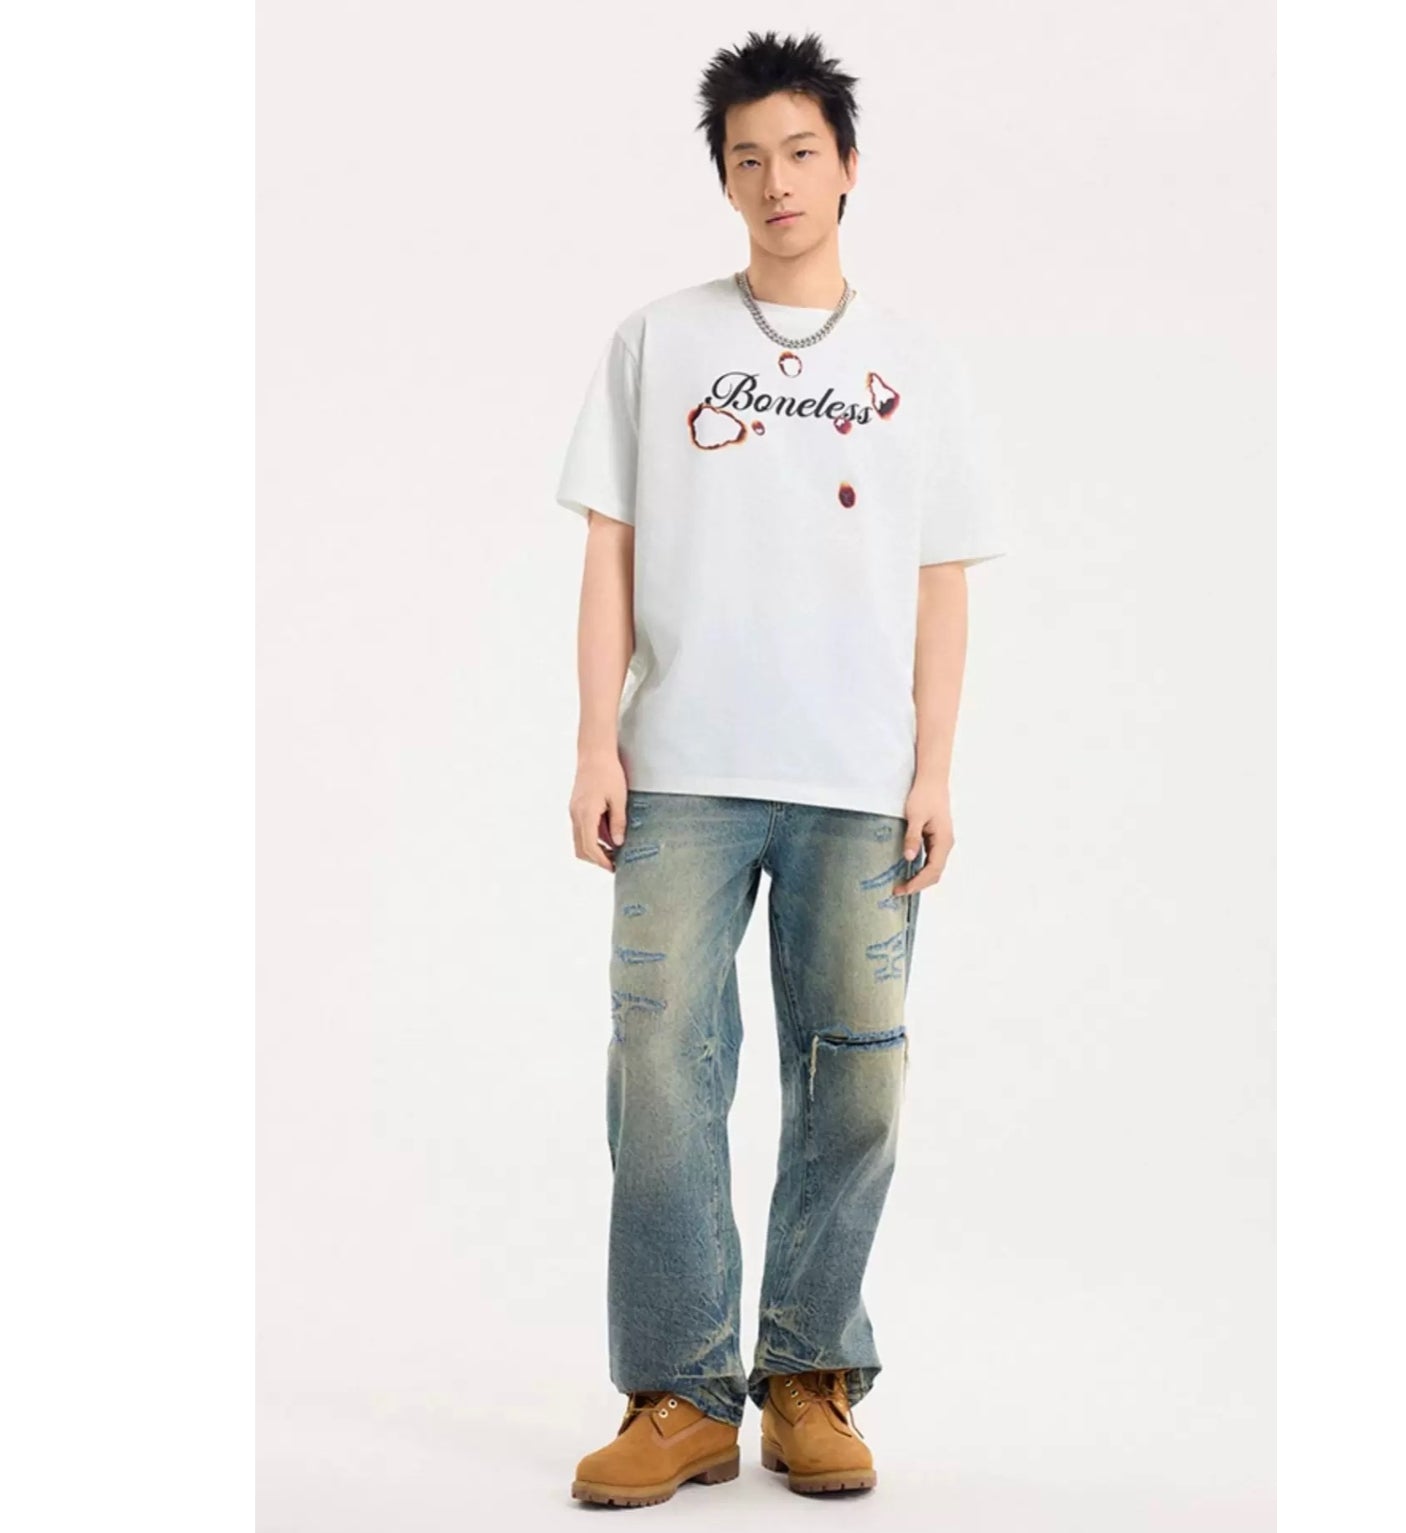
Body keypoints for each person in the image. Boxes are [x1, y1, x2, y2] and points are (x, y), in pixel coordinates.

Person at [555, 29, 1007, 1508]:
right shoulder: (656, 342)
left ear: (848, 165)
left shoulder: (915, 363)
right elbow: (609, 552)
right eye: (747, 158)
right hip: (681, 770)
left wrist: (934, 768)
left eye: (800, 151)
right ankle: (680, 1393)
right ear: (725, 180)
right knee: (661, 1075)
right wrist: (594, 739)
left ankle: (810, 1375)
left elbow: (941, 579)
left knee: (855, 1079)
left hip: (860, 779)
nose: (776, 181)